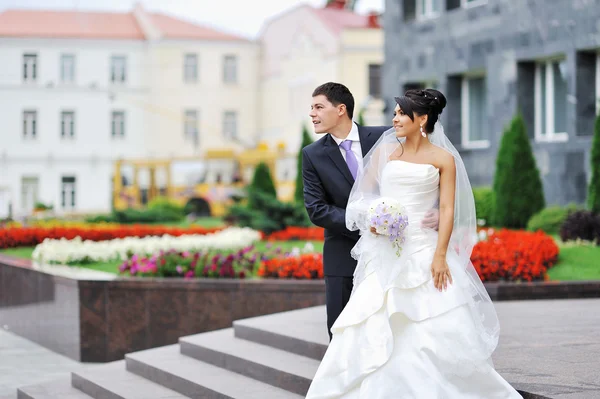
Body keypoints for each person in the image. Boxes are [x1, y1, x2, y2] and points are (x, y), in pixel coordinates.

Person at [305, 89, 522, 398]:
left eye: (400, 113)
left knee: (429, 325)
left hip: (423, 248)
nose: (393, 119)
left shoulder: (443, 158)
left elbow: (447, 208)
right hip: (383, 254)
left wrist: (440, 255)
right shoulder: (384, 152)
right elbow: (362, 197)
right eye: (393, 113)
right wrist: (374, 219)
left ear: (422, 119)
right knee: (372, 318)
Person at [302, 82, 439, 341]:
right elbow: (317, 210)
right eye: (311, 108)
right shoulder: (312, 155)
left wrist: (439, 210)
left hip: (397, 252)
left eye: (318, 107)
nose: (312, 114)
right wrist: (369, 222)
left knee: (397, 327)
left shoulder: (386, 135)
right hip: (342, 254)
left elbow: (432, 166)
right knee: (342, 333)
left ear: (341, 109)